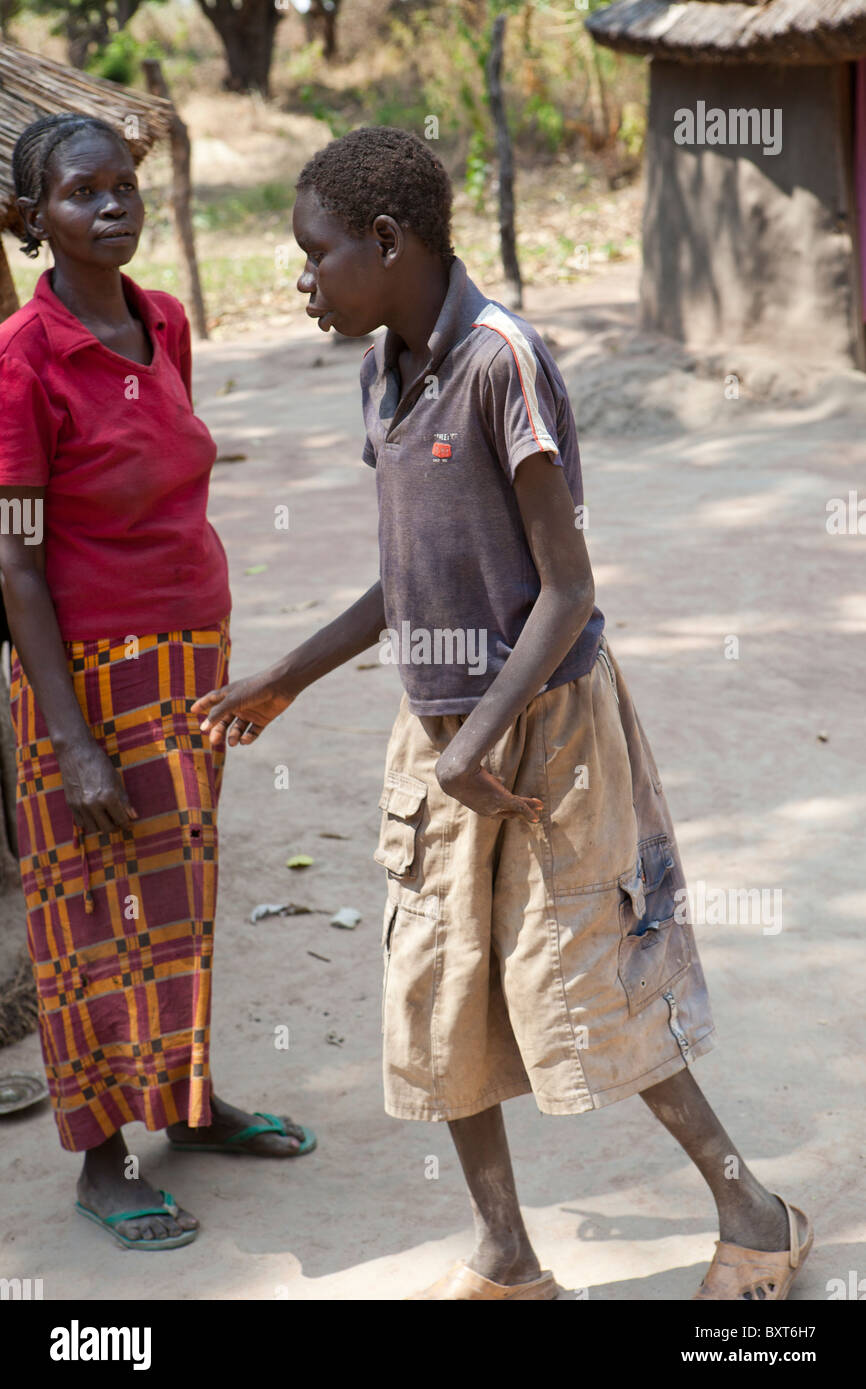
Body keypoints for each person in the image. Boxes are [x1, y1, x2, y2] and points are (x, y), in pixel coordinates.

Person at [193, 125, 812, 1300]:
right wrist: (290, 674)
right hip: (440, 740)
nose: (302, 279)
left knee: (588, 986)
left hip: (546, 735)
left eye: (315, 254)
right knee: (440, 992)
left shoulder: (500, 360)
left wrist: (480, 741)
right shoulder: (385, 368)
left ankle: (755, 1210)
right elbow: (405, 579)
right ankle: (506, 1260)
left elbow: (565, 588)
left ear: (387, 240)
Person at [0, 114, 314, 1253]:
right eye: (84, 193)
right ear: (36, 219)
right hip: (82, 678)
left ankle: (186, 1105)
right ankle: (100, 1156)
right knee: (89, 914)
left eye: (125, 186)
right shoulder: (22, 359)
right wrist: (75, 741)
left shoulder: (164, 322)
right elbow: (16, 557)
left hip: (189, 660)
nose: (114, 207)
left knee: (176, 895)